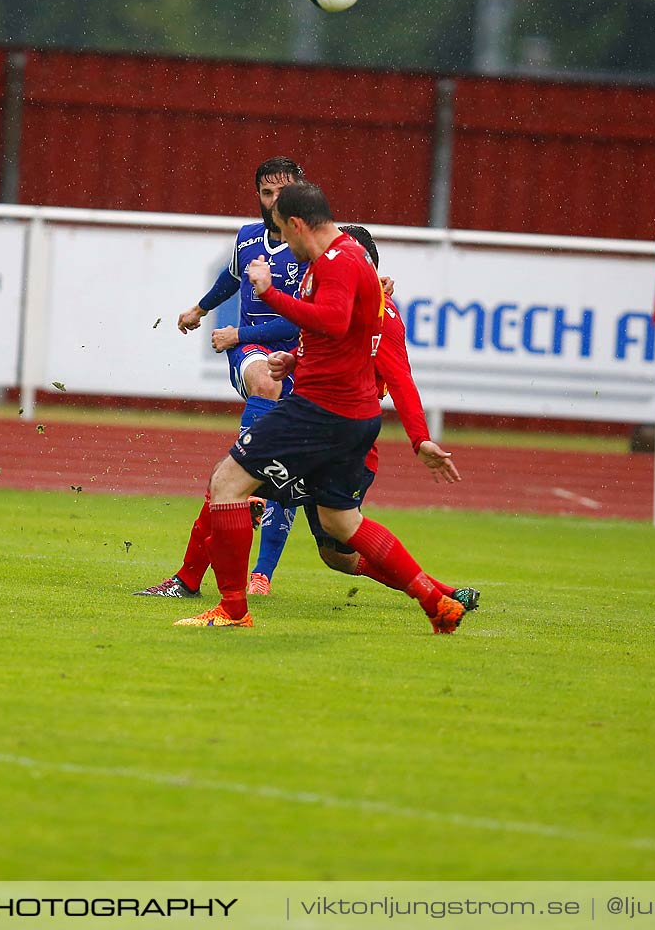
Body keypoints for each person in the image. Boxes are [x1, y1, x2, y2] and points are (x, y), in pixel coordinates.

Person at [169, 182, 471, 633]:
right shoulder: (342, 262)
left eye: (283, 235)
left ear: (295, 224)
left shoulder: (337, 263)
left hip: (320, 412)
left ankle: (232, 609)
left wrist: (269, 293)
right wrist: (297, 358)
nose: (283, 247)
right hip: (353, 418)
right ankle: (435, 602)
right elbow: (340, 332)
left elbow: (330, 320)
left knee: (227, 481)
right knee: (342, 525)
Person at [138, 157, 303, 599]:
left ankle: (260, 571)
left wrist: (237, 331)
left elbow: (303, 322)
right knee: (261, 408)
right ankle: (248, 465)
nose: (274, 201)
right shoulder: (248, 237)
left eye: (282, 192)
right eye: (266, 193)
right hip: (257, 355)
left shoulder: (312, 248)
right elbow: (231, 277)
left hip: (303, 365)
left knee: (292, 482)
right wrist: (201, 309)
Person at [294, 225, 478, 613]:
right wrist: (289, 359)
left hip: (343, 442)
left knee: (339, 540)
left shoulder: (385, 315)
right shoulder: (328, 303)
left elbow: (401, 379)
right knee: (334, 550)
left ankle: (437, 593)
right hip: (311, 428)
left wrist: (420, 438)